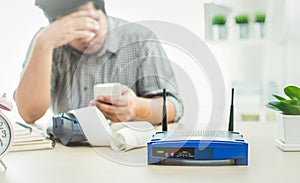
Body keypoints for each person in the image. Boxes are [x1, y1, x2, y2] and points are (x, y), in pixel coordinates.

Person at [15, 0, 183, 125]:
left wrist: (136, 107)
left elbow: (173, 107)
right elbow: (29, 114)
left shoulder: (140, 39)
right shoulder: (47, 42)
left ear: (102, 11)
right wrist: (44, 44)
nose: (87, 35)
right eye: (75, 27)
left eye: (92, 21)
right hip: (68, 155)